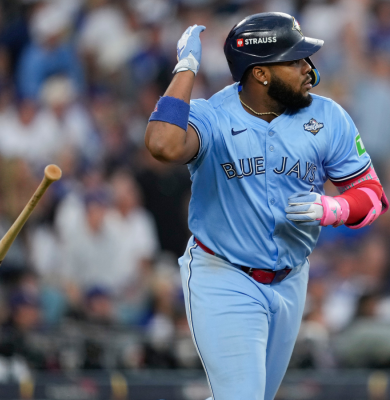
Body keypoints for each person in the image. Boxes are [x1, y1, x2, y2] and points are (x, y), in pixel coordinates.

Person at [144, 12, 388, 400]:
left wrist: (335, 209)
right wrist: (186, 68)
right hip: (224, 274)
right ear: (260, 74)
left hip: (291, 278)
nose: (308, 69)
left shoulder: (328, 117)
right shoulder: (213, 116)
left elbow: (373, 195)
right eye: (295, 61)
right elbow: (162, 144)